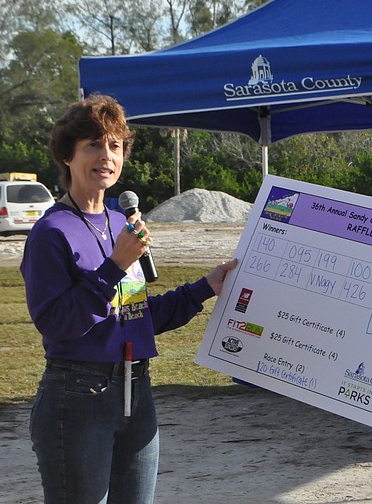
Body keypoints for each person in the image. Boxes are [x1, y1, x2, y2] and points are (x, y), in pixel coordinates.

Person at [20, 94, 238, 504]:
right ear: (68, 156)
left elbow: (135, 314)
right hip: (78, 395)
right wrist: (115, 265)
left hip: (137, 392)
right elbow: (56, 322)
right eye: (93, 145)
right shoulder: (52, 233)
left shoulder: (120, 221)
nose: (107, 156)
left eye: (115, 146)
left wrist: (206, 287)